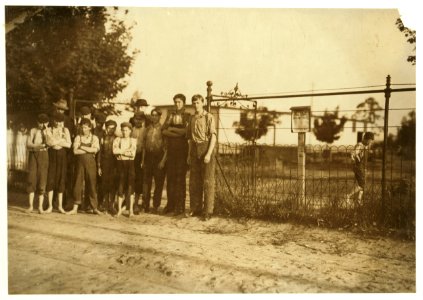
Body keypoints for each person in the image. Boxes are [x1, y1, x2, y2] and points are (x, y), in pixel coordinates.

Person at [187, 94, 217, 221]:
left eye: (198, 102)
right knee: (194, 181)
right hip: (194, 149)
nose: (196, 105)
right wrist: (189, 155)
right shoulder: (192, 118)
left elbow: (213, 137)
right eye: (194, 103)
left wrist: (209, 153)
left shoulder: (209, 117)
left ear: (203, 103)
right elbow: (189, 139)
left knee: (207, 181)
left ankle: (208, 211)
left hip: (206, 148)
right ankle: (195, 208)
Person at [162, 93, 190, 215]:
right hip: (171, 150)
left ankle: (180, 207)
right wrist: (177, 133)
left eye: (179, 102)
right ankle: (170, 205)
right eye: (175, 102)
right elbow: (163, 130)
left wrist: (172, 130)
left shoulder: (187, 116)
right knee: (171, 178)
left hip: (182, 151)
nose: (177, 104)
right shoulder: (170, 115)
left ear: (183, 103)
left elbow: (186, 132)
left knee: (180, 179)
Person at [67, 118, 102, 215]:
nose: (83, 130)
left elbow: (95, 150)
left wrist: (81, 147)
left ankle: (94, 207)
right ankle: (75, 208)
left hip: (91, 164)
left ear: (90, 128)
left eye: (86, 128)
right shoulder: (78, 137)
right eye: (82, 128)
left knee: (92, 184)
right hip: (80, 164)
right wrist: (88, 149)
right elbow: (75, 151)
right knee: (77, 184)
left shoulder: (94, 138)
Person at [45, 113, 72, 213]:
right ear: (53, 121)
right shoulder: (49, 130)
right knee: (50, 179)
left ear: (63, 122)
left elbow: (69, 144)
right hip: (52, 156)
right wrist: (61, 140)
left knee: (61, 180)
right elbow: (49, 143)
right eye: (56, 121)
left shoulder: (66, 130)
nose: (58, 123)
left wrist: (56, 141)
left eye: (60, 121)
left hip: (62, 157)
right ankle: (50, 206)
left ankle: (60, 206)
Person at [142, 108, 167, 214]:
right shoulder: (147, 129)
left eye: (156, 115)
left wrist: (163, 161)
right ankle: (145, 205)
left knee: (159, 183)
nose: (154, 117)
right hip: (148, 157)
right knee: (146, 183)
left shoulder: (163, 129)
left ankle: (156, 206)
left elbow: (167, 147)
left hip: (159, 158)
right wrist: (143, 160)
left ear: (160, 116)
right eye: (152, 115)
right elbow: (143, 145)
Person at [26, 113, 50, 213]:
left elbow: (50, 143)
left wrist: (46, 131)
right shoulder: (33, 130)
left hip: (43, 155)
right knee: (31, 178)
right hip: (33, 155)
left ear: (47, 123)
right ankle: (31, 206)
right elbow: (28, 144)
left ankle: (40, 206)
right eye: (40, 123)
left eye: (44, 123)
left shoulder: (48, 131)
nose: (41, 125)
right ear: (37, 122)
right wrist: (39, 146)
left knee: (42, 179)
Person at [113, 122, 137, 217]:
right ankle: (119, 210)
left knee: (131, 188)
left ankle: (131, 210)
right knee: (120, 187)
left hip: (130, 165)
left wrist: (121, 153)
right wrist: (126, 151)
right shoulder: (117, 140)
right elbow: (115, 151)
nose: (124, 132)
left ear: (130, 131)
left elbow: (133, 154)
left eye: (126, 130)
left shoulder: (133, 140)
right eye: (123, 130)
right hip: (120, 165)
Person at [346, 132, 374, 207]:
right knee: (362, 185)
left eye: (371, 141)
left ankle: (359, 201)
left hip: (363, 167)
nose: (370, 143)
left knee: (363, 184)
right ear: (366, 139)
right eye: (370, 141)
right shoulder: (360, 145)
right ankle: (348, 196)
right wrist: (354, 159)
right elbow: (353, 153)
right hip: (358, 166)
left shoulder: (366, 146)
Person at [98, 120, 119, 215]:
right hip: (105, 163)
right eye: (109, 127)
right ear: (106, 128)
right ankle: (105, 204)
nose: (111, 130)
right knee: (104, 184)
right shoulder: (102, 138)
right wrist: (99, 166)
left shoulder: (117, 138)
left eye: (113, 128)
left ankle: (112, 205)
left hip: (114, 164)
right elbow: (99, 153)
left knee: (113, 185)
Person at [131, 111, 148, 213]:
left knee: (139, 180)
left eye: (140, 119)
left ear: (143, 120)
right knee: (130, 178)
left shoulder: (145, 131)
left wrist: (142, 160)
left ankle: (137, 203)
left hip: (141, 157)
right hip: (130, 157)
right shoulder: (131, 130)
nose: (138, 121)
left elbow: (145, 147)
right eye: (136, 119)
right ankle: (129, 202)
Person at [94, 112, 107, 210]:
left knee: (101, 182)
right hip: (92, 157)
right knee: (91, 182)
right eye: (99, 122)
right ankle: (90, 203)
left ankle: (100, 202)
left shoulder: (104, 133)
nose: (100, 125)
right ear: (95, 121)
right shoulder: (92, 131)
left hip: (101, 159)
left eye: (102, 123)